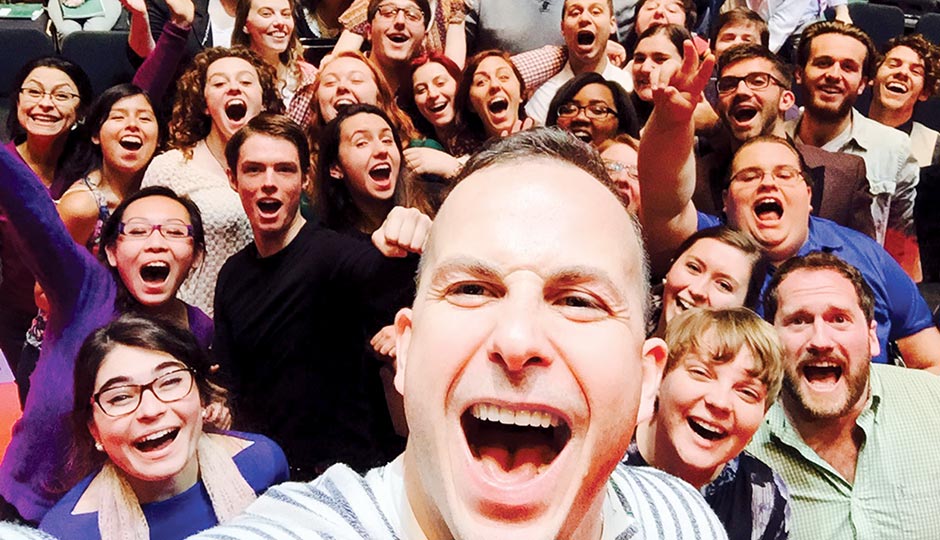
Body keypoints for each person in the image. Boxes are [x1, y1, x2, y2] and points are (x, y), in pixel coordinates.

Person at [193, 127, 727, 539]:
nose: (518, 341)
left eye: (578, 300)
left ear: (648, 379)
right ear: (405, 349)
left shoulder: (681, 519)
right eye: (472, 289)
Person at [637, 39, 940, 371]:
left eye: (785, 175)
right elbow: (664, 201)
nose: (768, 183)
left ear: (809, 197)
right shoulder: (709, 245)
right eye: (750, 176)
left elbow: (929, 359)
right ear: (726, 201)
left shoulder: (865, 254)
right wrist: (670, 122)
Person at [0, 143, 213, 522]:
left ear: (194, 255)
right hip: (27, 505)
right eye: (138, 230)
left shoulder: (200, 329)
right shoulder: (84, 288)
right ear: (113, 251)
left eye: (176, 232)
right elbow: (32, 212)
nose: (156, 241)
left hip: (120, 515)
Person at [215, 113, 420, 478]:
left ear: (305, 178)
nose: (269, 183)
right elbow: (233, 388)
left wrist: (421, 239)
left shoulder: (338, 254)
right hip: (271, 478)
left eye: (284, 170)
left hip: (349, 477)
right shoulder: (232, 275)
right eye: (254, 170)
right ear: (232, 178)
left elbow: (389, 279)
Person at [39, 315, 288, 539]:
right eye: (120, 397)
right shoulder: (68, 533)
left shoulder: (261, 464)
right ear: (93, 429)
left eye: (170, 382)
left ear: (202, 397)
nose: (151, 410)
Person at [749, 251, 940, 540]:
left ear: (872, 337)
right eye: (798, 321)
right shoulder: (741, 438)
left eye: (839, 319)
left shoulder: (931, 402)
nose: (820, 341)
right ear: (771, 341)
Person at [17, 84, 162, 403]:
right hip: (63, 361)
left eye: (144, 117)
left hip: (121, 358)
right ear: (96, 135)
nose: (132, 125)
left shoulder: (158, 200)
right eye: (119, 116)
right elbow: (43, 295)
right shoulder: (83, 206)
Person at [141, 46, 283, 316]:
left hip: (261, 316)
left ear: (263, 101)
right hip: (188, 321)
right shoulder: (171, 166)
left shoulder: (282, 166)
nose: (233, 89)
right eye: (219, 83)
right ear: (205, 104)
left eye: (245, 81)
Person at [627, 307, 790, 540]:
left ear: (763, 416)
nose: (720, 402)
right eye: (701, 373)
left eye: (747, 392)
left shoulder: (763, 497)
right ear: (660, 378)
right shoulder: (602, 461)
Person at [790, 21, 921, 280]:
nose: (834, 74)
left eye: (848, 67)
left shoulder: (894, 149)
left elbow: (900, 247)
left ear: (862, 84)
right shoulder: (770, 138)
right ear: (799, 73)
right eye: (823, 62)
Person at [701, 43, 874, 237]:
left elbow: (868, 261)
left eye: (758, 81)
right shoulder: (697, 176)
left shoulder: (845, 176)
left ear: (786, 100)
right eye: (728, 85)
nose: (741, 91)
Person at [0, 56, 93, 392]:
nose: (45, 104)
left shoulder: (92, 167)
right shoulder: (3, 166)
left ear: (82, 112)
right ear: (18, 101)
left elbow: (136, 104)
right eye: (34, 92)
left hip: (85, 322)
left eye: (61, 95)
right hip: (16, 318)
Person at [525, 0, 633, 125]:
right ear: (562, 28)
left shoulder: (629, 86)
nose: (584, 18)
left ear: (612, 24)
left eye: (596, 12)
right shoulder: (544, 99)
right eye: (575, 13)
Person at [650, 226, 767, 339]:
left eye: (723, 285)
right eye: (693, 268)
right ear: (671, 266)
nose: (697, 290)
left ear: (745, 309)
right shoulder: (633, 311)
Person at [231, 0, 318, 122]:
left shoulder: (309, 77)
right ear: (244, 24)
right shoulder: (231, 79)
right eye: (266, 14)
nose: (280, 22)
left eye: (286, 14)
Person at [868, 33, 940, 168]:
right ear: (873, 77)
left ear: (925, 92)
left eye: (915, 71)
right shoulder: (839, 130)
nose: (903, 73)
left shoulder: (934, 146)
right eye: (893, 65)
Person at [452, 49, 531, 155]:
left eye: (503, 77)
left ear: (521, 94)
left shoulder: (546, 148)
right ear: (470, 104)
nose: (494, 85)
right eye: (481, 82)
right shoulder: (463, 164)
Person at [545, 72, 640, 147]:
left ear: (621, 126)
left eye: (597, 110)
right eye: (569, 109)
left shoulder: (632, 169)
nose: (580, 117)